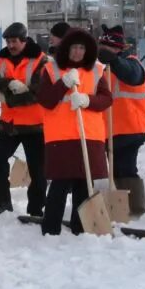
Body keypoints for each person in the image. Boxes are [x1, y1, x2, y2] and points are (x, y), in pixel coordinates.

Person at [30, 26, 114, 235]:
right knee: (60, 183)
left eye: (82, 48)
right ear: (67, 48)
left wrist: (88, 100)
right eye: (74, 47)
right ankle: (51, 228)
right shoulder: (51, 69)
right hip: (61, 135)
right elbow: (46, 100)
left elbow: (107, 99)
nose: (78, 52)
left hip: (89, 135)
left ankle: (81, 227)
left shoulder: (97, 70)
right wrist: (64, 84)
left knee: (84, 184)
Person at [0, 22, 48, 218]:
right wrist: (8, 83)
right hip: (9, 125)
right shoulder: (2, 60)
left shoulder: (40, 60)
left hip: (35, 125)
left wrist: (7, 98)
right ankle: (3, 202)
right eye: (8, 41)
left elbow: (37, 92)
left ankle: (35, 208)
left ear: (24, 40)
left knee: (38, 170)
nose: (11, 45)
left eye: (14, 42)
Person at [98, 25, 145, 218]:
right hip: (111, 130)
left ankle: (136, 208)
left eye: (106, 48)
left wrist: (113, 60)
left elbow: (130, 74)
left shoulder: (132, 63)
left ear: (117, 48)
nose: (102, 52)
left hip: (130, 128)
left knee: (126, 169)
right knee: (116, 170)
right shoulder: (106, 69)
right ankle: (120, 207)